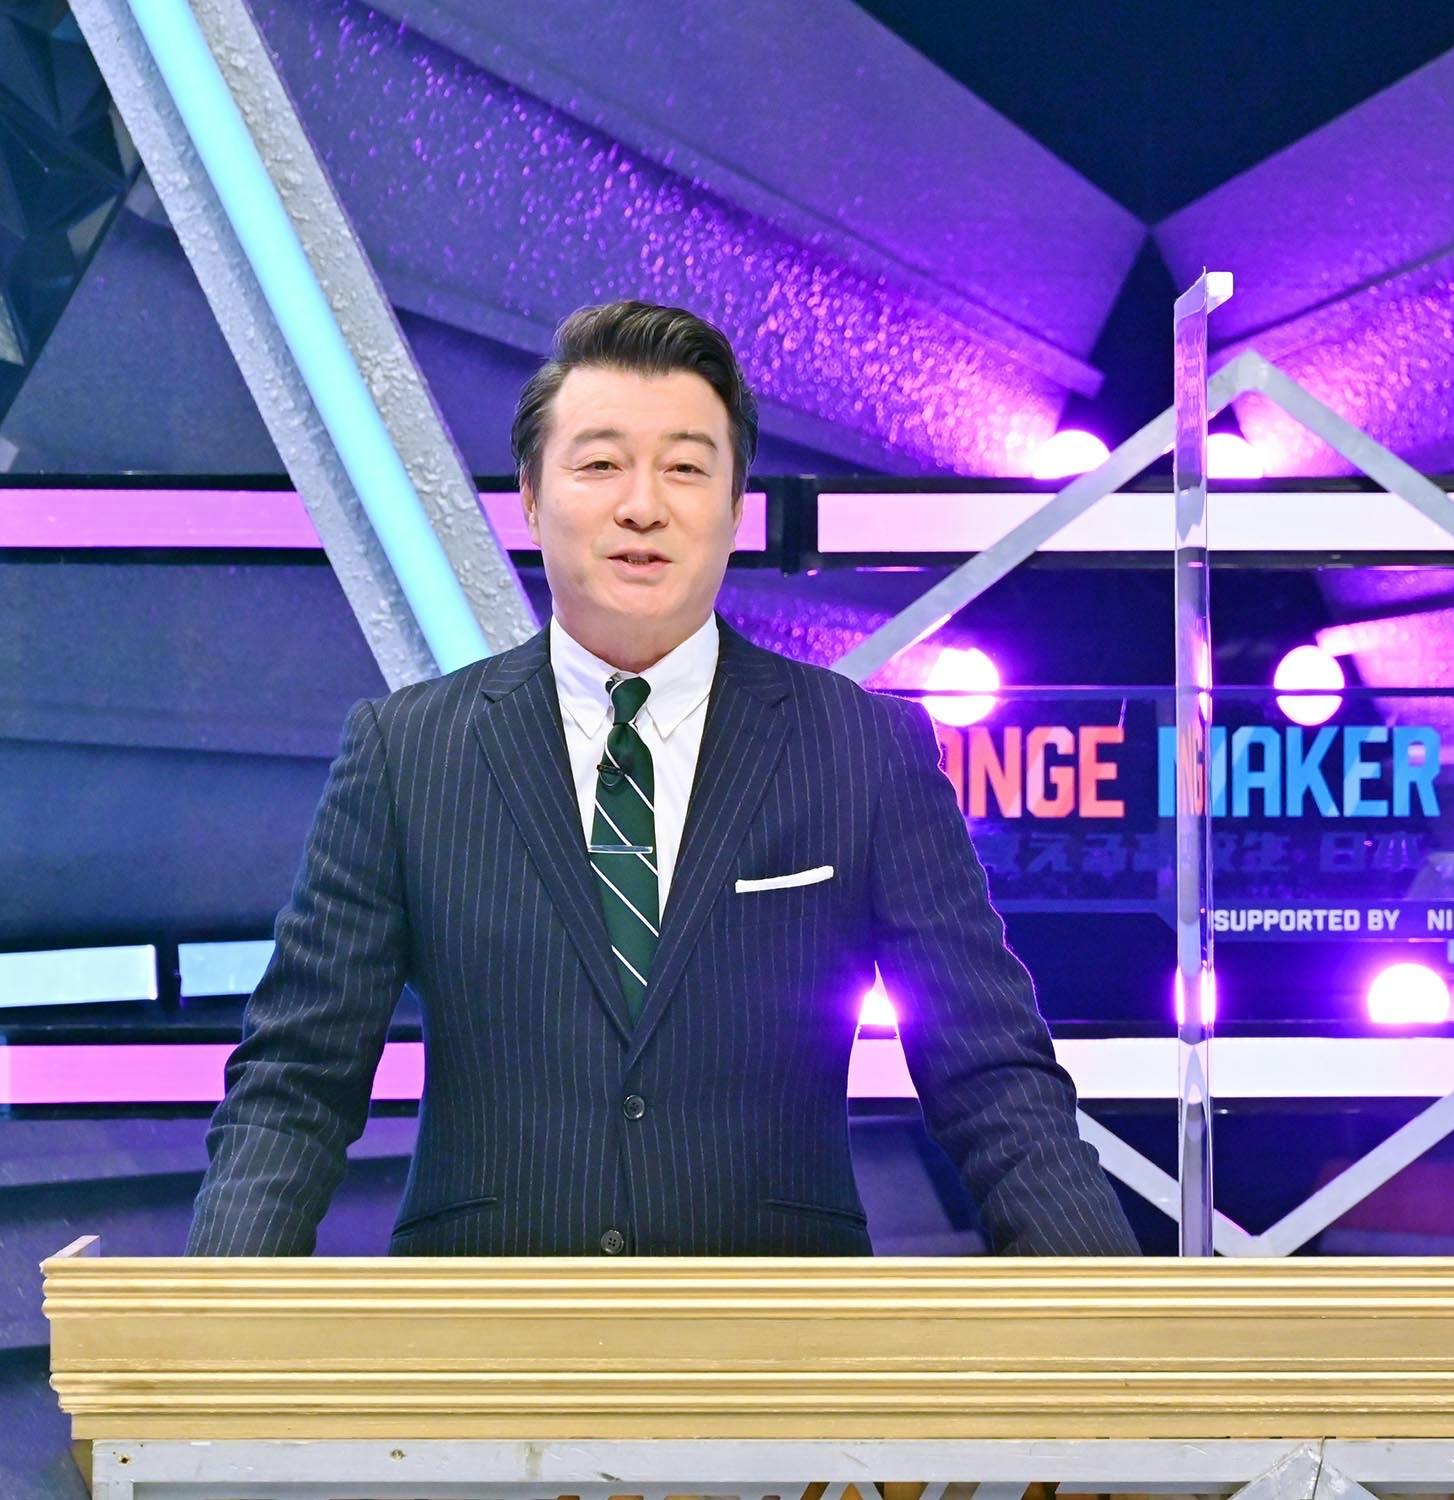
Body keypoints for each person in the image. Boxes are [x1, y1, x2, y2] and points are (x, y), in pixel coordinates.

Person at [186, 300, 1138, 1257]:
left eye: (685, 468)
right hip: (488, 1330)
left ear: (735, 507)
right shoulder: (407, 753)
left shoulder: (864, 749)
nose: (642, 505)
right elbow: (296, 1082)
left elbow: (991, 1079)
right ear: (531, 497)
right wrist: (213, 1319)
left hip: (773, 1331)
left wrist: (1116, 1317)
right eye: (600, 464)